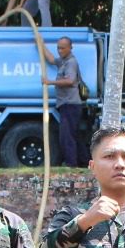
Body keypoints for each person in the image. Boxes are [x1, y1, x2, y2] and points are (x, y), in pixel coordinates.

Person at [42, 36, 88, 167]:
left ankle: (71, 164)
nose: (59, 50)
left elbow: (70, 81)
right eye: (58, 48)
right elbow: (51, 59)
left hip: (70, 104)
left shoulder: (71, 62)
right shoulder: (62, 61)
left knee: (67, 136)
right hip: (67, 104)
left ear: (70, 48)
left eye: (62, 48)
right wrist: (41, 43)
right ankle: (85, 162)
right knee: (74, 135)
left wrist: (49, 82)